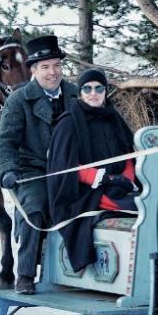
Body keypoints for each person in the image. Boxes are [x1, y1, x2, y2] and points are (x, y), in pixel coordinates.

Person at [0, 35, 78, 294]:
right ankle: (26, 274)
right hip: (33, 172)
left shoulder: (77, 94)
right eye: (45, 67)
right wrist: (7, 169)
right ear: (33, 70)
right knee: (35, 208)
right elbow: (5, 141)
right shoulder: (19, 100)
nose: (52, 72)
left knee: (93, 205)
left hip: (70, 171)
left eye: (56, 65)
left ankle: (86, 271)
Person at [46, 68, 139, 273]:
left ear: (105, 91)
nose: (93, 93)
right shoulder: (68, 122)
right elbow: (64, 167)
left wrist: (126, 179)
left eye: (99, 88)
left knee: (145, 201)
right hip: (82, 192)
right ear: (80, 93)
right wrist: (101, 178)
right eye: (87, 89)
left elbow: (128, 155)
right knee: (136, 205)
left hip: (117, 185)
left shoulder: (114, 118)